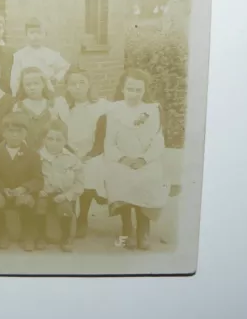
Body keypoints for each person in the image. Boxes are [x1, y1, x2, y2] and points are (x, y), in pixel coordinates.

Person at [104, 69, 167, 251]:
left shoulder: (152, 109)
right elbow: (109, 141)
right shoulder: (114, 110)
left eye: (138, 90)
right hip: (121, 159)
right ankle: (126, 227)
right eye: (130, 89)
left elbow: (158, 139)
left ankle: (143, 228)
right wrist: (122, 158)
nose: (134, 93)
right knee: (120, 177)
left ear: (145, 90)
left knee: (148, 179)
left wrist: (144, 159)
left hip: (145, 160)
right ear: (122, 89)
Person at [62, 66, 112, 237]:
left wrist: (89, 154)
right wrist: (71, 153)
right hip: (69, 152)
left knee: (90, 168)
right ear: (67, 87)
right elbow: (61, 135)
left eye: (81, 83)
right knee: (67, 169)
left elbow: (103, 136)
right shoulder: (64, 108)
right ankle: (69, 215)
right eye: (72, 84)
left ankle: (83, 216)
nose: (77, 87)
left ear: (89, 85)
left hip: (94, 153)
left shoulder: (102, 106)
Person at [0, 112, 43, 251]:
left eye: (19, 132)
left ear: (25, 134)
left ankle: (28, 235)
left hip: (22, 193)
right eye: (10, 131)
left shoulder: (32, 154)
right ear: (3, 133)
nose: (14, 135)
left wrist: (24, 188)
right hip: (3, 192)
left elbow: (38, 179)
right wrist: (2, 189)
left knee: (26, 201)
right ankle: (2, 233)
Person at [36, 120, 84, 252]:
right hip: (44, 194)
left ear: (65, 141)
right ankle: (40, 236)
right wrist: (38, 190)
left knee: (65, 208)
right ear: (44, 139)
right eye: (50, 139)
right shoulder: (37, 156)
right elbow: (32, 178)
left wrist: (67, 196)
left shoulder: (72, 159)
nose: (54, 143)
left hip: (63, 195)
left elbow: (79, 183)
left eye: (59, 139)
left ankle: (66, 237)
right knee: (40, 205)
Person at [9, 18, 70, 96]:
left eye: (39, 33)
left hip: (47, 91)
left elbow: (65, 67)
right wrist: (15, 95)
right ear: (26, 34)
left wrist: (56, 78)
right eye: (32, 33)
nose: (35, 36)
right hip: (27, 92)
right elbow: (15, 78)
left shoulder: (52, 54)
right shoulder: (19, 55)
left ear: (45, 34)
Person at [14, 66, 68, 149]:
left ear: (43, 84)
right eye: (28, 84)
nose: (32, 88)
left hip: (51, 150)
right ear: (23, 87)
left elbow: (63, 129)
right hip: (28, 150)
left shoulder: (53, 104)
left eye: (36, 83)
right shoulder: (18, 107)